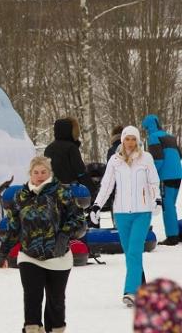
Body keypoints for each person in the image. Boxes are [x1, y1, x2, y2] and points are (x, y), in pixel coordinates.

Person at [0, 156, 86, 333]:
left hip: (58, 256)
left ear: (49, 173)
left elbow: (79, 219)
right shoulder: (20, 196)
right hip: (29, 255)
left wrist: (64, 235)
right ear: (30, 173)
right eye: (36, 172)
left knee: (56, 303)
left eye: (43, 172)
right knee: (32, 298)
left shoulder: (61, 192)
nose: (39, 176)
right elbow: (14, 226)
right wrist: (4, 251)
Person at [89, 126, 162, 306]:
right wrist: (97, 205)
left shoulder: (146, 158)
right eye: (126, 139)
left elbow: (153, 182)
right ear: (122, 140)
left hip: (142, 212)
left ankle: (130, 291)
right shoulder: (115, 160)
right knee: (130, 253)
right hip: (121, 213)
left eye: (133, 139)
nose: (130, 142)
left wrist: (157, 199)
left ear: (137, 141)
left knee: (135, 251)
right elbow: (106, 185)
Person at [141, 114, 182, 245]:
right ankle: (175, 232)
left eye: (145, 128)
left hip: (166, 176)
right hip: (177, 174)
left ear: (148, 127)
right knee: (171, 205)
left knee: (167, 206)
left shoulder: (153, 137)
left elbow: (157, 160)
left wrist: (150, 174)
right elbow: (179, 155)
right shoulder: (170, 137)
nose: (145, 131)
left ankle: (172, 237)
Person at [44, 117, 95, 192]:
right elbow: (80, 171)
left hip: (53, 189)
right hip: (71, 190)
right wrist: (93, 189)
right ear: (71, 131)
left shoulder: (48, 148)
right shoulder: (71, 148)